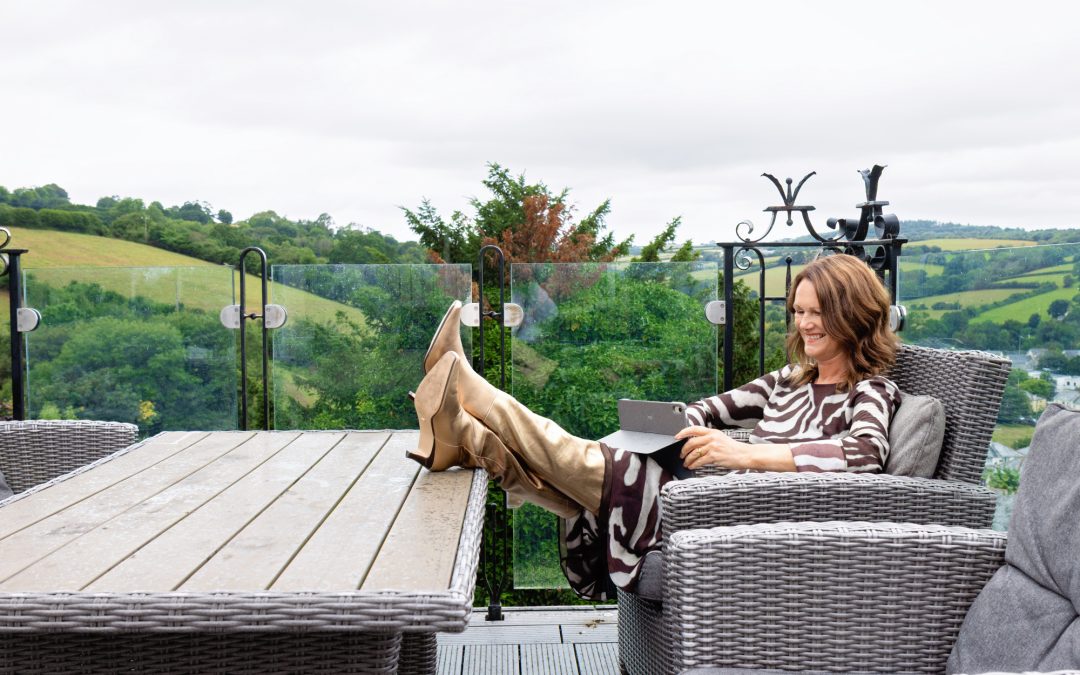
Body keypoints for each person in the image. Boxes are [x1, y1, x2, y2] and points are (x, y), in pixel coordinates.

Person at [408, 254, 901, 599]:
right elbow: (707, 410)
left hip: (737, 523)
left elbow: (865, 454)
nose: (805, 324)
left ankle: (471, 402)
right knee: (603, 470)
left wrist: (743, 454)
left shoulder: (869, 390)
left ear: (852, 314)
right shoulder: (789, 379)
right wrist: (672, 427)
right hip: (703, 494)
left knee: (600, 466)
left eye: (818, 312)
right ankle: (463, 434)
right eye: (799, 312)